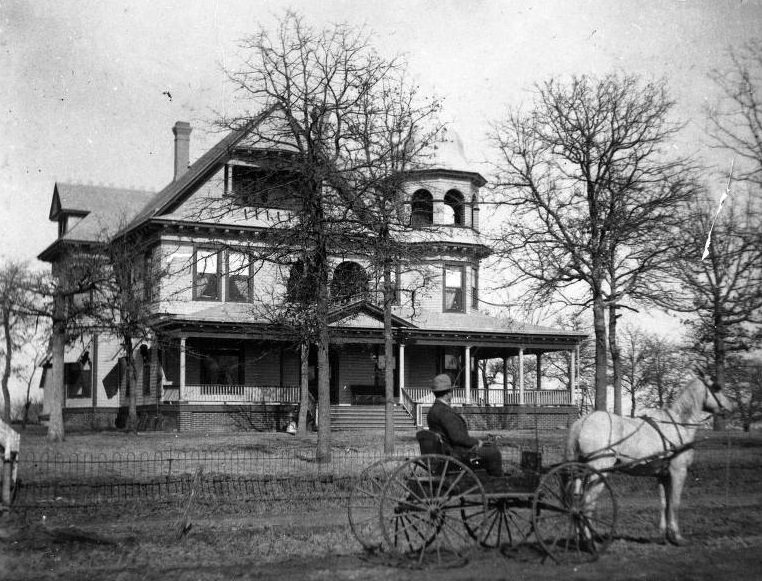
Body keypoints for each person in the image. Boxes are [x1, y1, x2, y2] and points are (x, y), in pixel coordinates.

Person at [426, 373, 504, 476]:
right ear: (449, 393)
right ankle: (498, 483)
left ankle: (486, 478)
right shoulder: (445, 413)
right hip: (456, 454)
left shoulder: (432, 411)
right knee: (493, 452)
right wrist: (476, 442)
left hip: (445, 452)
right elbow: (457, 438)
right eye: (451, 391)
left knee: (488, 449)